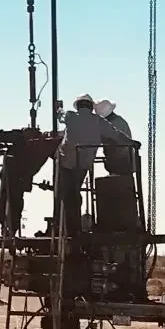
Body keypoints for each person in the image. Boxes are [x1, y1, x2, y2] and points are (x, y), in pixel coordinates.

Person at [57, 95, 103, 243]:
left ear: (78, 106)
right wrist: (131, 142)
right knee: (74, 192)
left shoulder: (71, 116)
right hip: (84, 165)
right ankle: (74, 227)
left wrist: (58, 108)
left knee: (65, 195)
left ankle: (68, 227)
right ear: (90, 107)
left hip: (67, 163)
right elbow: (115, 133)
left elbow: (61, 115)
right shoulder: (98, 121)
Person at [96, 100, 135, 177]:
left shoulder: (113, 124)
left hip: (121, 162)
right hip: (124, 160)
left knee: (118, 184)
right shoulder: (119, 121)